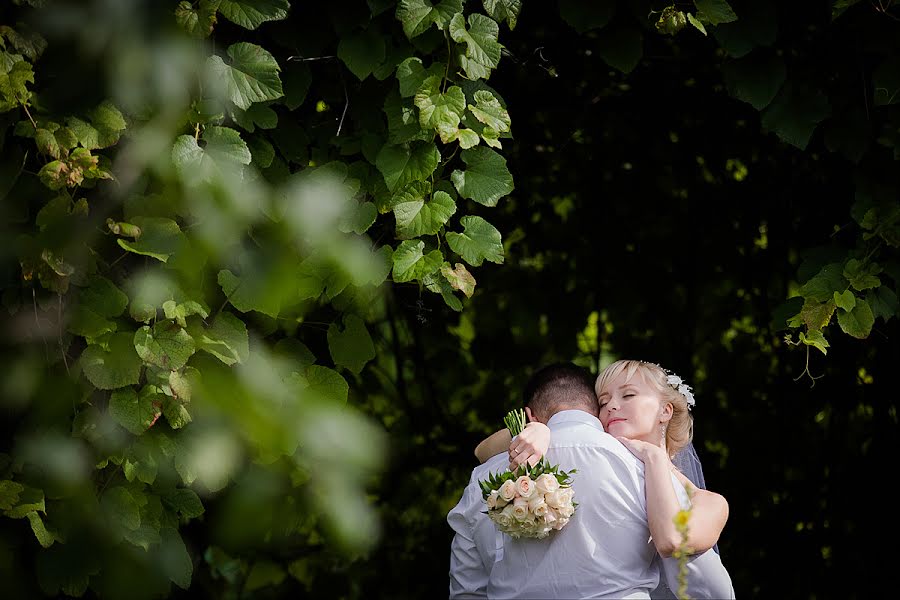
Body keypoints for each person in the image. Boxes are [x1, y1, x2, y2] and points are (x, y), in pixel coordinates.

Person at [475, 359, 734, 598]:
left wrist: (653, 457)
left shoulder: (708, 501)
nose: (611, 405)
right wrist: (540, 428)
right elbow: (481, 451)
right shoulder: (605, 462)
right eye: (603, 401)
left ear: (665, 411)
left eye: (628, 395)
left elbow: (670, 540)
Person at [449, 362, 666, 598]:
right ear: (597, 410)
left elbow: (467, 591)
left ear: (529, 416)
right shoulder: (644, 466)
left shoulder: (483, 479)